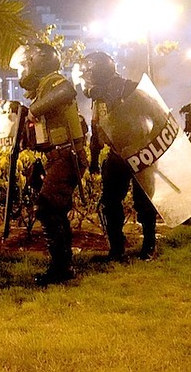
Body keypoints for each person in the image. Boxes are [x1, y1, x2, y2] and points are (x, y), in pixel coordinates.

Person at [10, 43, 87, 286]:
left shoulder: (54, 81)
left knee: (46, 207)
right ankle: (65, 266)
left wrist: (32, 110)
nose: (24, 69)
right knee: (56, 210)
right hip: (60, 156)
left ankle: (61, 267)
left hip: (67, 155)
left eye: (26, 64)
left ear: (38, 62)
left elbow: (66, 90)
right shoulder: (43, 88)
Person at [78, 52, 158, 261]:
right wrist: (94, 160)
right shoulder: (98, 98)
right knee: (110, 202)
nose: (87, 83)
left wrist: (151, 144)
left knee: (144, 202)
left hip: (141, 152)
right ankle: (117, 248)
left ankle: (149, 244)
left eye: (89, 76)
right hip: (116, 155)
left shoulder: (131, 88)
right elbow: (97, 128)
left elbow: (157, 114)